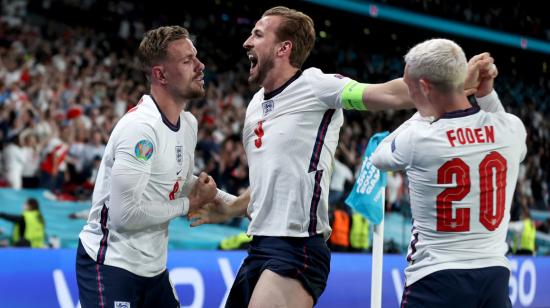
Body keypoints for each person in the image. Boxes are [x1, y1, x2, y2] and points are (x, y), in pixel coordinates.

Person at [189, 7, 494, 307]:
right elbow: (271, 184)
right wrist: (228, 209)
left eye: (257, 34)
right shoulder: (255, 104)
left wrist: (455, 80)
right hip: (259, 247)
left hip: (299, 249)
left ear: (284, 48)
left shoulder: (315, 85)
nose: (246, 42)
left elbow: (390, 94)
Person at [76, 25, 227, 307]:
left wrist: (239, 204)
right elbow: (125, 215)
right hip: (111, 263)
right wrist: (189, 204)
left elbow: (177, 180)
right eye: (187, 60)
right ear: (160, 74)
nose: (200, 65)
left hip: (153, 269)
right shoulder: (140, 129)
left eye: (196, 56)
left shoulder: (188, 124)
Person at [371, 39, 527, 307]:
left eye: (409, 85)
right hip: (494, 278)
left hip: (435, 279)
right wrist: (485, 95)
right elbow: (499, 124)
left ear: (424, 86)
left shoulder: (419, 138)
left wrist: (425, 112)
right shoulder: (512, 128)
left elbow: (379, 155)